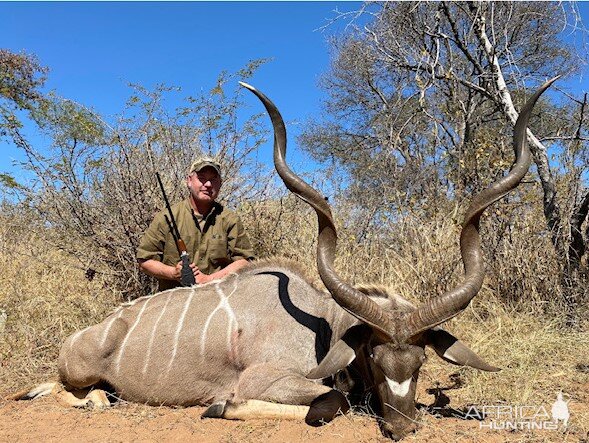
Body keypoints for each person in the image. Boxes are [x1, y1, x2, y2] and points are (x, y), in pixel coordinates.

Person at [137, 157, 256, 291]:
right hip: (174, 300)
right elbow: (145, 261)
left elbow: (244, 261)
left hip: (216, 296)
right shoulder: (167, 216)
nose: (208, 184)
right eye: (202, 178)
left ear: (220, 183)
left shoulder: (230, 219)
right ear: (189, 181)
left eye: (213, 179)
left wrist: (208, 280)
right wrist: (174, 273)